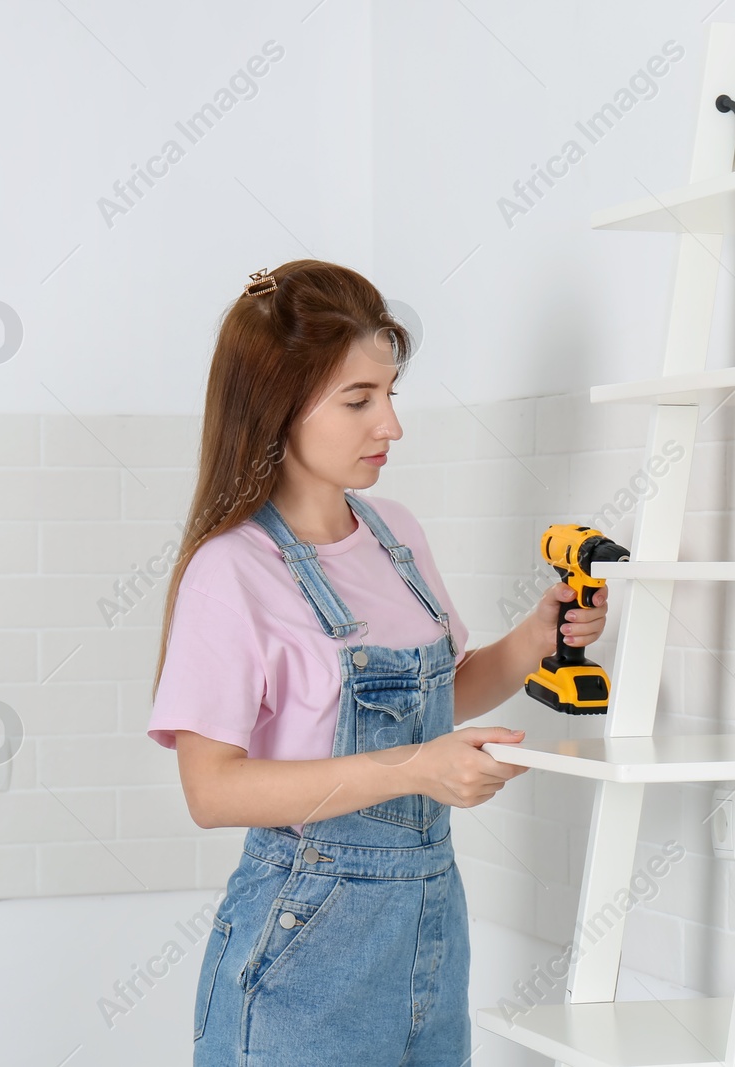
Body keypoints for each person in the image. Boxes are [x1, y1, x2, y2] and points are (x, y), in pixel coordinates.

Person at [145, 259, 609, 1065]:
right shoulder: (232, 570)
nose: (389, 425)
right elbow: (211, 790)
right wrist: (414, 769)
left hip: (430, 931)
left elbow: (438, 694)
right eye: (359, 400)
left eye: (391, 394)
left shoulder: (395, 537)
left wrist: (534, 640)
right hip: (303, 950)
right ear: (277, 408)